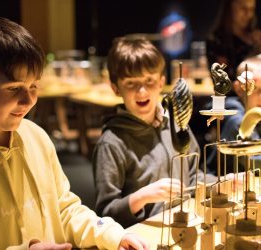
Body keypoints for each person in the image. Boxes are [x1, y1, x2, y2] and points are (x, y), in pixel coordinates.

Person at [0, 17, 150, 250]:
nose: (28, 101)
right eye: (14, 88)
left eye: (33, 86)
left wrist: (112, 235)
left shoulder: (36, 136)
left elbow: (65, 209)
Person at [92, 35, 217, 228]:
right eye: (131, 83)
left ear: (161, 81)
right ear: (116, 88)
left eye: (149, 81)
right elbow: (105, 215)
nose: (142, 91)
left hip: (183, 226)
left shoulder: (176, 122)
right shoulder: (111, 143)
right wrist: (142, 197)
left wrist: (222, 182)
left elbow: (193, 178)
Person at [206, 55, 261, 174]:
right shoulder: (238, 121)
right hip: (220, 184)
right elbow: (255, 162)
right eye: (257, 89)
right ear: (239, 89)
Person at [206, 0, 261, 89]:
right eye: (243, 8)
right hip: (235, 96)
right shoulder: (216, 40)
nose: (248, 14)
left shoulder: (256, 37)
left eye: (251, 9)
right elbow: (222, 85)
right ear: (230, 8)